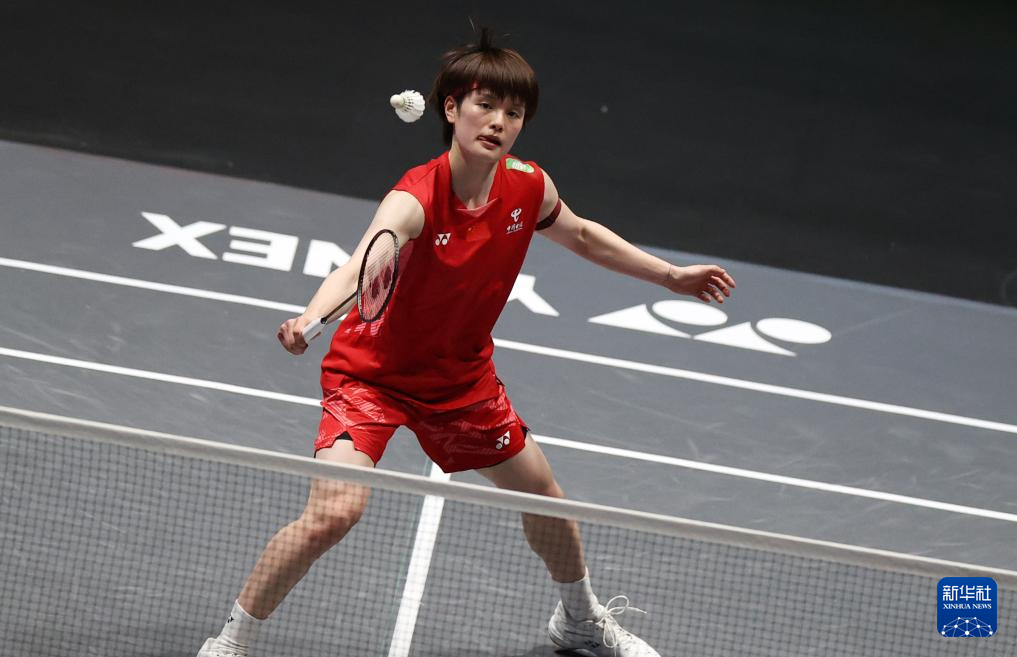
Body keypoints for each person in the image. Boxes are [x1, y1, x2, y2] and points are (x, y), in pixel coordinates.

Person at [197, 28, 735, 657]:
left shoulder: (528, 186)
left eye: (514, 112)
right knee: (334, 512)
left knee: (545, 496)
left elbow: (584, 235)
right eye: (486, 105)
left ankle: (579, 619)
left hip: (459, 381)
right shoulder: (415, 197)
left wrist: (669, 276)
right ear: (451, 108)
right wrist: (310, 316)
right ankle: (231, 641)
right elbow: (363, 264)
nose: (499, 122)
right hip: (371, 377)